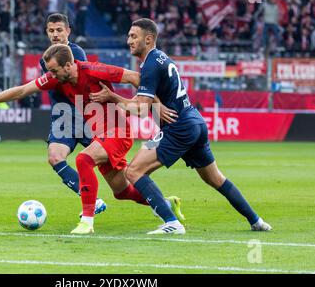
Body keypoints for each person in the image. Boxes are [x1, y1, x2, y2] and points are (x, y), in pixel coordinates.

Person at [0, 44, 184, 234]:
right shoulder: (56, 79)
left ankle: (87, 221)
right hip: (101, 134)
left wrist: (157, 106)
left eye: (54, 70)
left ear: (69, 65)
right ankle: (166, 205)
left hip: (118, 131)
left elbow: (136, 78)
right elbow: (21, 90)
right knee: (122, 191)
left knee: (83, 160)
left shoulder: (95, 70)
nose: (51, 75)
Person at [90, 18, 272, 234]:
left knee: (134, 171)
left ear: (148, 39)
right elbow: (149, 101)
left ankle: (172, 222)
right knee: (215, 178)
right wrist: (153, 106)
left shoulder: (149, 64)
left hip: (178, 126)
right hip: (194, 121)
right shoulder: (161, 59)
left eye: (133, 36)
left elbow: (139, 109)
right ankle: (256, 221)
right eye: (128, 36)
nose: (128, 40)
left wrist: (112, 97)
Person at [40, 13, 107, 216]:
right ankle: (92, 201)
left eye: (59, 30)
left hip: (83, 116)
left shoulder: (75, 52)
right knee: (54, 157)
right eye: (51, 30)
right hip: (63, 119)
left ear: (68, 31)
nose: (55, 34)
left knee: (117, 171)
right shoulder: (45, 58)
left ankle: (158, 201)